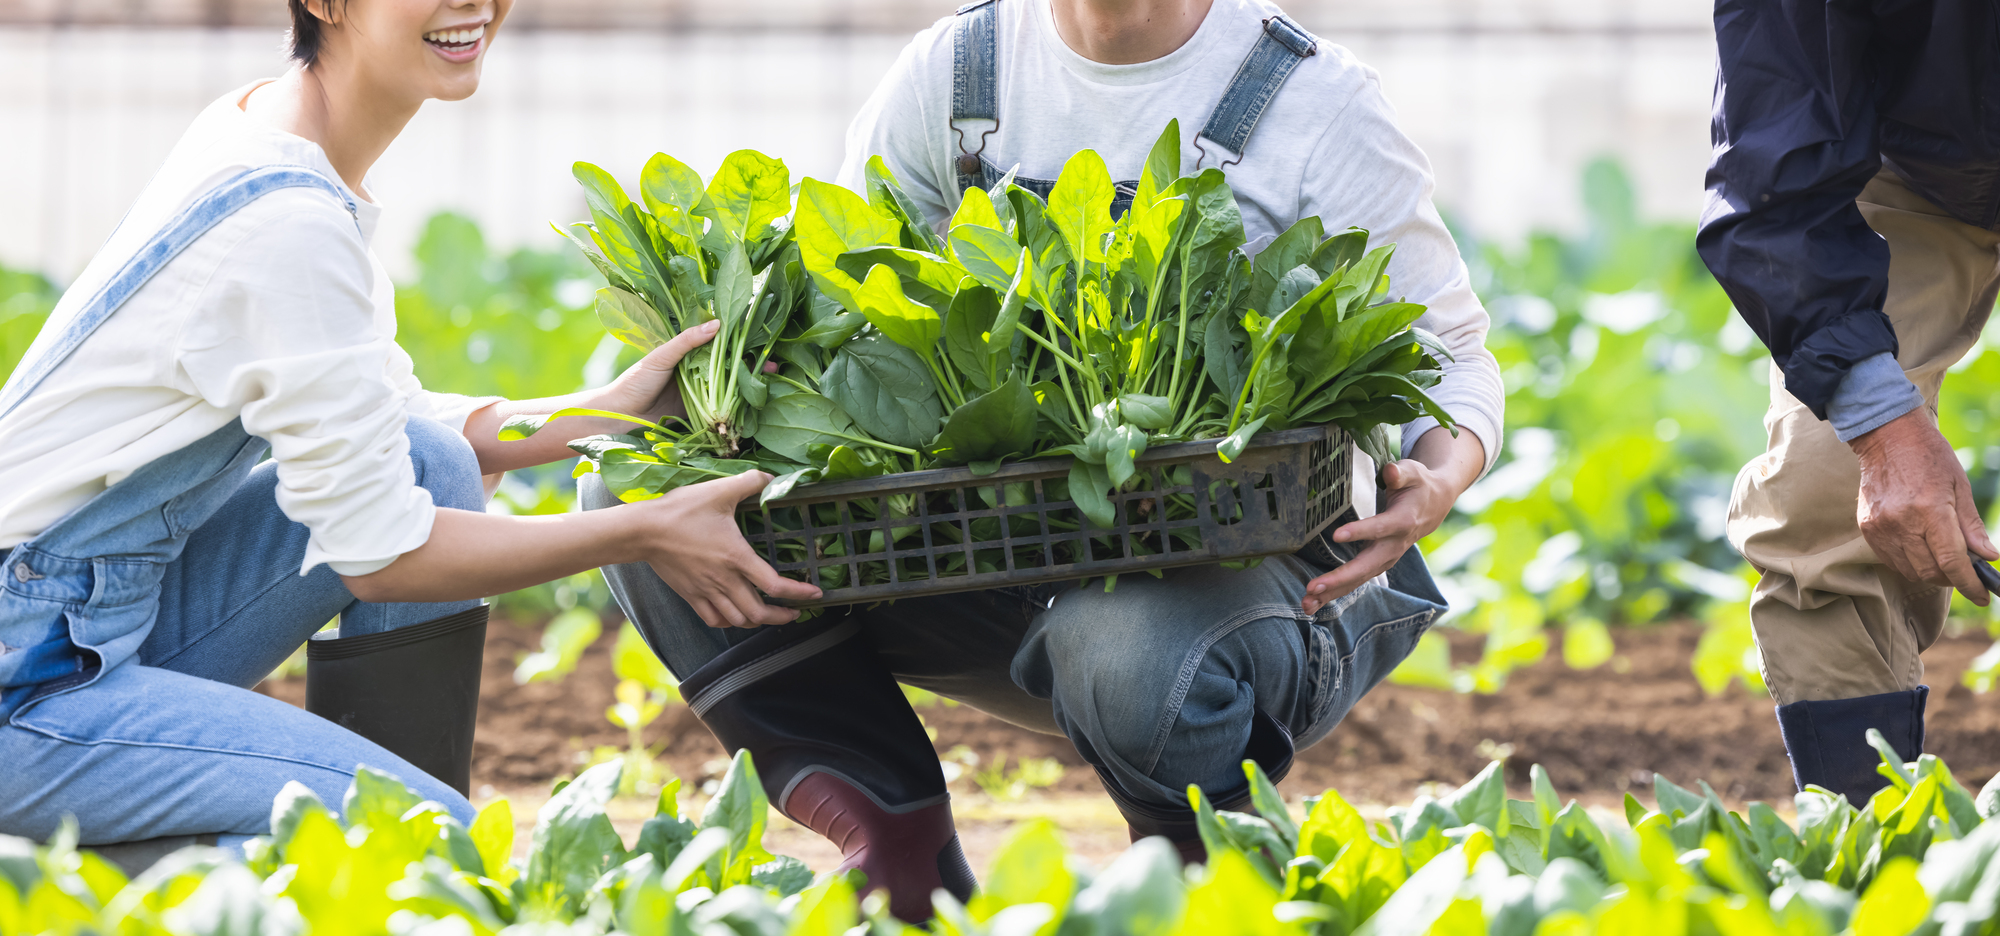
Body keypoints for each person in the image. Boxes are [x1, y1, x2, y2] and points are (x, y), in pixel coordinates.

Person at [583, 0, 1504, 920]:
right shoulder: (955, 71)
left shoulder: (1314, 99)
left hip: (1264, 583)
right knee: (643, 503)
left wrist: (1437, 479)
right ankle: (902, 861)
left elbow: (1453, 352)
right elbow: (843, 289)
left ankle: (1208, 885)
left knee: (1120, 642)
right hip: (1001, 547)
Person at [0, 0, 817, 871]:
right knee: (419, 841)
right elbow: (383, 558)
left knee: (429, 466)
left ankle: (392, 866)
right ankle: (52, 881)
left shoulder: (270, 135)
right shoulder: (288, 222)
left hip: (88, 610)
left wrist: (612, 411)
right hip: (30, 674)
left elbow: (393, 419)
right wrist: (644, 530)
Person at [1699, 0, 2000, 806]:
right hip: (1918, 168)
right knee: (1823, 490)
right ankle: (1867, 848)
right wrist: (1878, 424)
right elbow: (1774, 159)